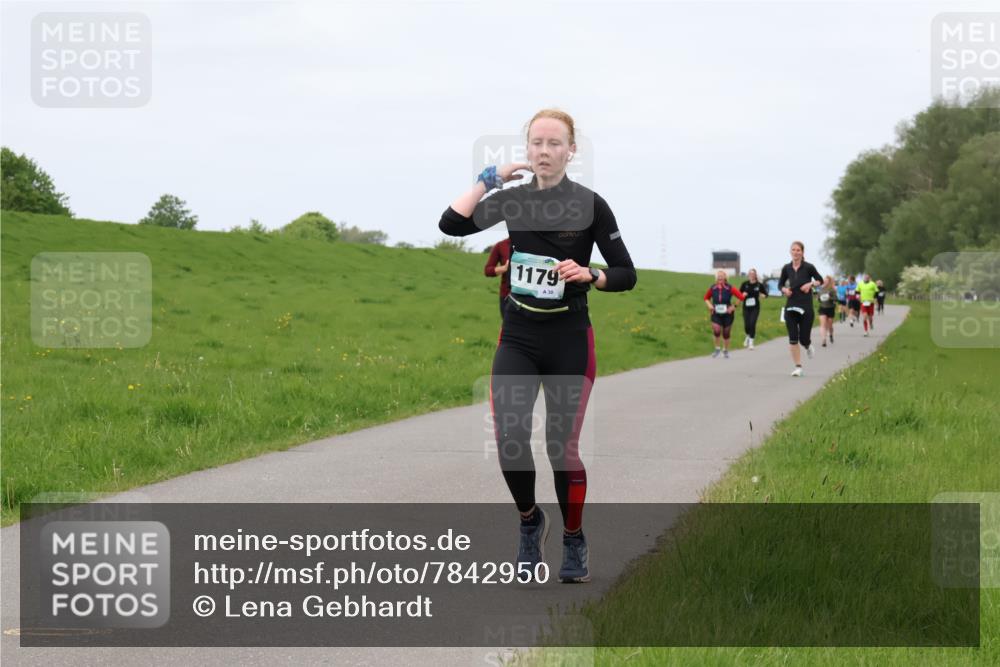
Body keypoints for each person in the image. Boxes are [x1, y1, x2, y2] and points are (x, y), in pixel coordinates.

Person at [438, 109, 636, 584]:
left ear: (571, 151)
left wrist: (592, 275)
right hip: (519, 337)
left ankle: (573, 537)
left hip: (570, 337)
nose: (544, 152)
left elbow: (627, 272)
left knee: (560, 449)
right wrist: (489, 179)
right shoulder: (514, 199)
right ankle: (530, 521)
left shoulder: (592, 205)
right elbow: (451, 224)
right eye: (536, 143)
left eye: (554, 144)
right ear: (526, 150)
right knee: (509, 440)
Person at [777, 241, 822, 377]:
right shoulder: (786, 268)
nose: (796, 252)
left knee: (803, 339)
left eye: (798, 250)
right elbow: (780, 284)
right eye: (793, 250)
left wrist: (810, 284)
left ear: (802, 252)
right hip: (791, 305)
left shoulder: (809, 267)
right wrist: (784, 289)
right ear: (790, 252)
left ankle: (808, 345)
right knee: (793, 338)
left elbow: (820, 280)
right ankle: (798, 367)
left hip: (805, 306)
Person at [705, 270, 745, 358]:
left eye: (722, 275)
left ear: (725, 277)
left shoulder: (730, 288)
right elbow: (706, 298)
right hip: (716, 312)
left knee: (726, 333)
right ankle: (717, 348)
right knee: (717, 330)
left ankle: (725, 350)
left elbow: (741, 297)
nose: (720, 277)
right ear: (716, 278)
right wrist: (710, 306)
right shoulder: (713, 288)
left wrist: (733, 306)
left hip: (728, 313)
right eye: (718, 276)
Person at [739, 268, 767, 350]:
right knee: (747, 325)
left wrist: (763, 295)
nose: (751, 275)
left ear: (755, 275)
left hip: (755, 308)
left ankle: (751, 342)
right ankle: (747, 336)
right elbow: (739, 293)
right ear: (748, 275)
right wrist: (742, 294)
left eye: (753, 274)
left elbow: (765, 294)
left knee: (752, 323)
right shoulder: (744, 284)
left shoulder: (759, 285)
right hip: (746, 307)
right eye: (750, 274)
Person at [485, 237, 512, 317]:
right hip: (507, 296)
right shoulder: (501, 245)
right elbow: (487, 270)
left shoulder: (531, 244)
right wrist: (504, 268)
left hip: (529, 297)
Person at [816, 275, 838, 346]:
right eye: (824, 280)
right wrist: (819, 298)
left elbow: (836, 299)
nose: (824, 282)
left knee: (830, 326)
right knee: (823, 324)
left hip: (830, 308)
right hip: (822, 308)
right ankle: (824, 340)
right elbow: (818, 298)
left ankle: (831, 334)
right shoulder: (820, 289)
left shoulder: (832, 289)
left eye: (826, 280)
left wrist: (830, 298)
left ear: (829, 282)